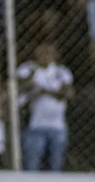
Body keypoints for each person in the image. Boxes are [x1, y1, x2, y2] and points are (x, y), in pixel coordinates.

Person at [18, 43, 73, 172]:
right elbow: (21, 87)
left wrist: (43, 91)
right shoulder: (28, 69)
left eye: (49, 52)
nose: (45, 56)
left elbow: (66, 93)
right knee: (32, 164)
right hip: (35, 125)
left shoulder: (61, 72)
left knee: (56, 164)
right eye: (42, 52)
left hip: (57, 126)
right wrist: (32, 79)